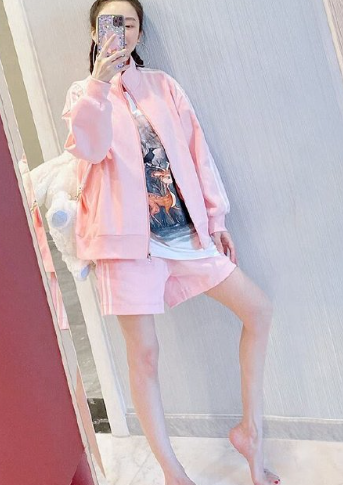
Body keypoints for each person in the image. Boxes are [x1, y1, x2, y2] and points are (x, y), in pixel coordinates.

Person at [61, 2, 281, 484]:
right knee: (144, 356)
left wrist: (216, 218)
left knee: (258, 310)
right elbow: (89, 150)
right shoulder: (83, 94)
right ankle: (172, 472)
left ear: (140, 33)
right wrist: (98, 84)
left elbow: (198, 152)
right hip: (124, 247)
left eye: (129, 23)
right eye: (110, 24)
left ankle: (250, 433)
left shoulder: (163, 86)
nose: (121, 32)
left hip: (184, 234)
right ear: (96, 33)